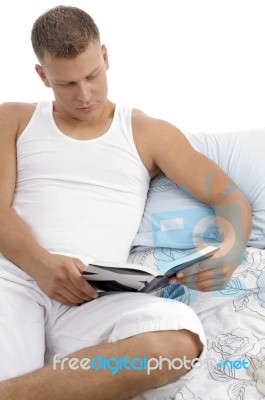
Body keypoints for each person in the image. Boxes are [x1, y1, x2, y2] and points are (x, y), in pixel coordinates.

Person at [0, 5, 251, 400]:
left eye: (92, 76)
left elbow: (226, 194)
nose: (85, 95)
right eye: (66, 84)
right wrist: (41, 264)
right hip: (14, 279)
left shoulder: (147, 132)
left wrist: (232, 250)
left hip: (94, 296)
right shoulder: (14, 118)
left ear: (105, 57)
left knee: (176, 343)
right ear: (42, 75)